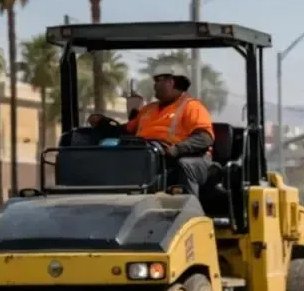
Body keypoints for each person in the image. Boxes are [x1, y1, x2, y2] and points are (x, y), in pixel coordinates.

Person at [87, 66, 215, 197]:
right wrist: (103, 124)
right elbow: (126, 130)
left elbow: (204, 137)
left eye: (158, 81)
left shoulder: (192, 106)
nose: (155, 85)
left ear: (171, 81)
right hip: (146, 153)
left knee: (185, 165)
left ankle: (188, 210)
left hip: (181, 156)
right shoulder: (148, 109)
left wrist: (176, 149)